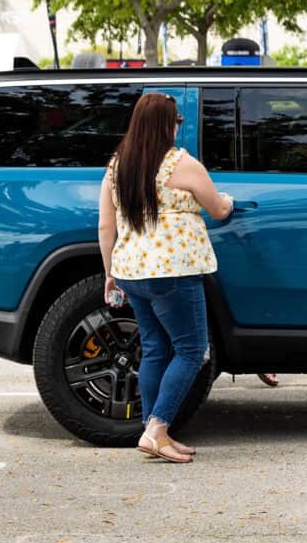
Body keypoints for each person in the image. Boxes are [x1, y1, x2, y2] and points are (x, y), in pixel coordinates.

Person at [98, 92, 233, 463]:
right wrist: (230, 201)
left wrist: (110, 273)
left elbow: (106, 225)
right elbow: (219, 209)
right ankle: (158, 428)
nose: (178, 127)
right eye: (176, 120)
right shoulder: (181, 165)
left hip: (131, 273)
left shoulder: (116, 166)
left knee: (157, 348)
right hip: (173, 272)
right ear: (166, 124)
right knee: (192, 351)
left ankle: (152, 432)